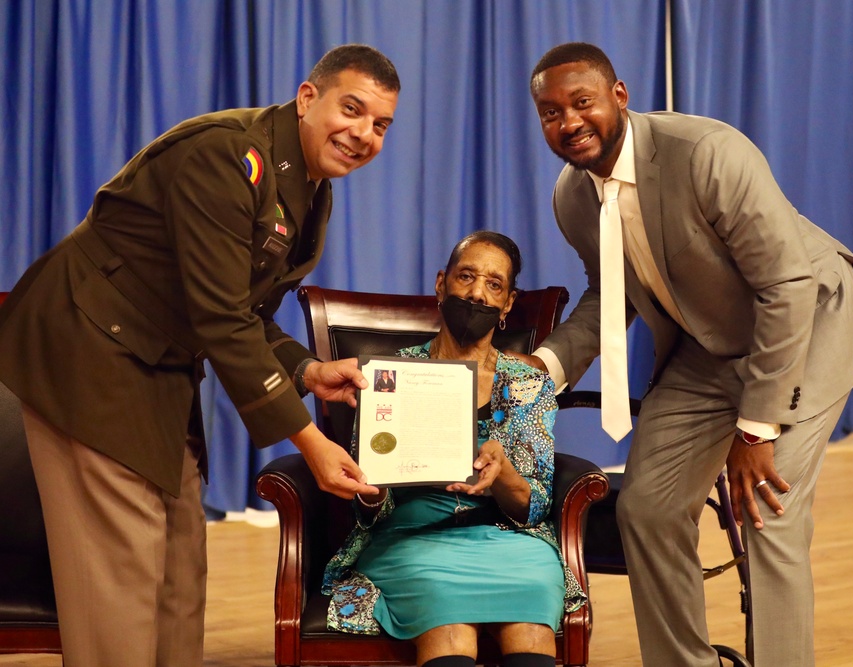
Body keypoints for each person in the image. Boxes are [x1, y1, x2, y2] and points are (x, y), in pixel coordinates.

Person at [0, 44, 399, 666]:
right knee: (121, 577)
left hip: (158, 362)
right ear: (307, 97)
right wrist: (312, 444)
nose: (364, 134)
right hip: (87, 350)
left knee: (180, 572)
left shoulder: (311, 189)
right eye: (352, 109)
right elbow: (220, 316)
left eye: (380, 124)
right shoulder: (226, 155)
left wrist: (307, 369)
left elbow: (246, 307)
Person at [522, 43, 853, 667]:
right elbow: (610, 296)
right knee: (646, 507)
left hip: (808, 326)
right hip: (709, 345)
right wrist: (547, 366)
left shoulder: (706, 153)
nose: (567, 123)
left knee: (766, 513)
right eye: (549, 112)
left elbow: (786, 286)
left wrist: (755, 430)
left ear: (619, 97)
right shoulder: (572, 196)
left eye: (581, 102)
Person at [322, 231, 584, 667]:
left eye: (494, 284)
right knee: (448, 621)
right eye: (466, 276)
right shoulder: (391, 377)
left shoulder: (529, 384)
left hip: (511, 541)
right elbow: (368, 507)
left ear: (508, 304)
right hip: (413, 540)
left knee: (533, 604)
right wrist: (370, 492)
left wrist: (504, 475)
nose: (477, 292)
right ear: (441, 283)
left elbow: (534, 507)